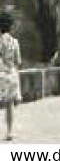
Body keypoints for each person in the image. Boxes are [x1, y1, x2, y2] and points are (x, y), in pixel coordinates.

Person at [0, 12, 21, 141]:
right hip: (12, 74)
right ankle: (9, 132)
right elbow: (18, 61)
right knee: (10, 105)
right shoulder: (15, 42)